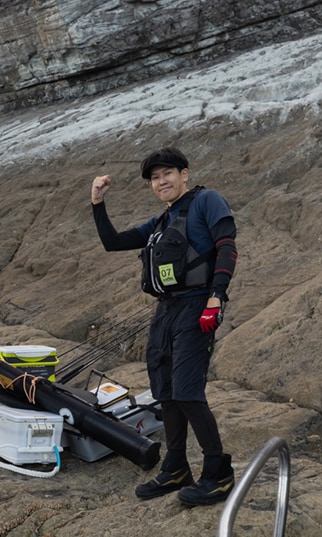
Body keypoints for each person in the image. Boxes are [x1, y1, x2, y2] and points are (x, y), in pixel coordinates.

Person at [90, 147, 238, 506]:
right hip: (166, 310)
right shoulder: (161, 222)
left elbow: (227, 245)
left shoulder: (207, 200)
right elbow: (113, 242)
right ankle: (176, 467)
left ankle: (217, 473)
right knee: (166, 391)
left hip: (197, 305)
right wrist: (97, 202)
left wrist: (216, 297)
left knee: (187, 391)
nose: (161, 181)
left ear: (184, 174)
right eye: (155, 178)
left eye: (167, 174)